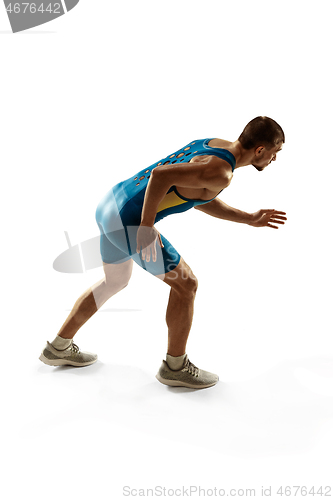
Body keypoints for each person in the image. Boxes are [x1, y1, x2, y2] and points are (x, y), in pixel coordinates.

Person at [39, 116, 287, 389]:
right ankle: (175, 367)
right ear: (260, 150)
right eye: (276, 152)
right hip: (129, 222)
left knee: (115, 281)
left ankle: (59, 347)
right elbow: (161, 176)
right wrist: (145, 228)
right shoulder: (221, 172)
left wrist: (249, 218)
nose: (275, 159)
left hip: (110, 205)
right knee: (186, 285)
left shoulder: (212, 144)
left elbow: (198, 195)